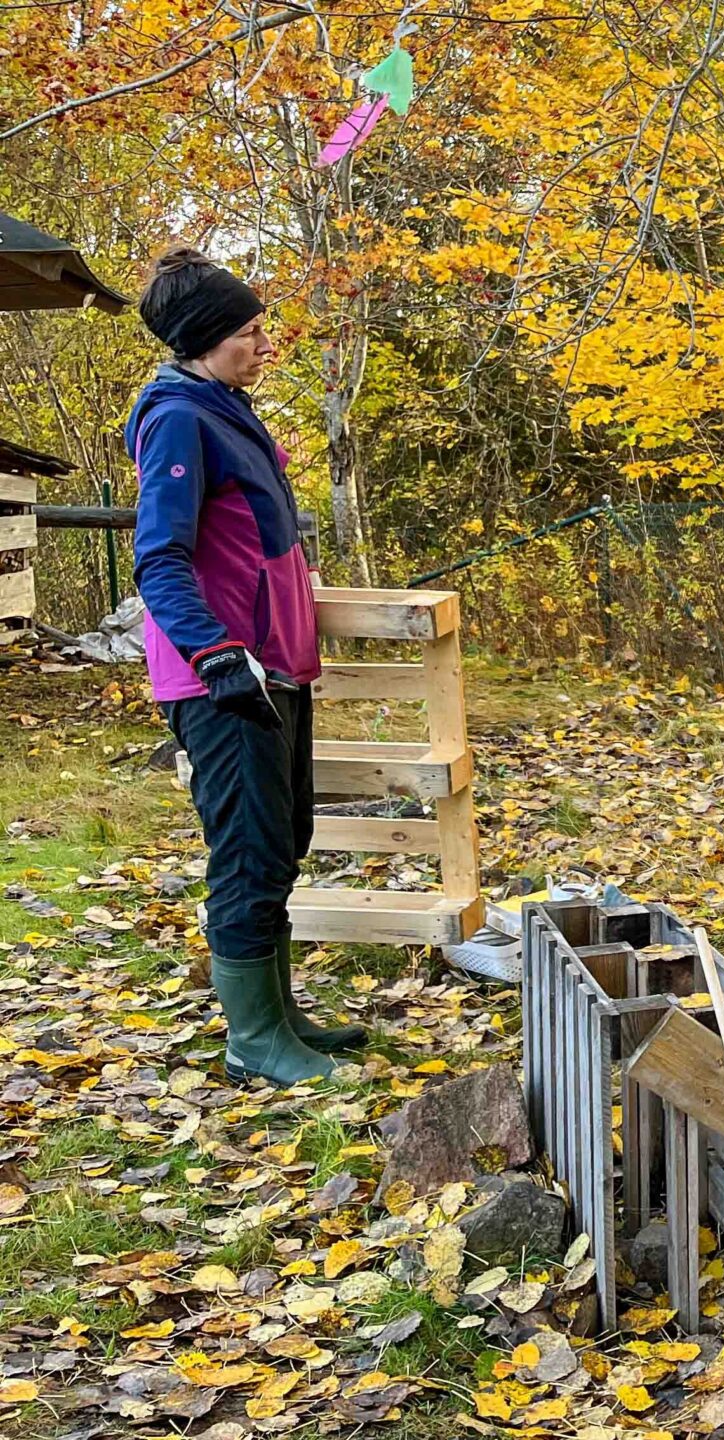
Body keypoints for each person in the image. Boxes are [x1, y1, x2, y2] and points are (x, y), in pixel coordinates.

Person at [130, 249, 367, 1087]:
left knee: (283, 841)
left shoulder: (226, 409)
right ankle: (253, 1041)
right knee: (248, 853)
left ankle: (280, 1014)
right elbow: (159, 558)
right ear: (205, 339)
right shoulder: (178, 420)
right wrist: (217, 654)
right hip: (226, 679)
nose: (267, 345)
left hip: (275, 668)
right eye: (251, 332)